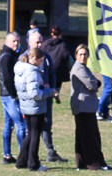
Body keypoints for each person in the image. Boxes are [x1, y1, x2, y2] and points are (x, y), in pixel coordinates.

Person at [69, 43, 111, 171]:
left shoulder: (83, 67)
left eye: (85, 54)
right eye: (80, 54)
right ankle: (93, 164)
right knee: (90, 137)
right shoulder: (79, 68)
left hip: (85, 107)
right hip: (83, 107)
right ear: (76, 55)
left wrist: (95, 82)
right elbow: (93, 84)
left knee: (83, 136)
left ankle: (81, 163)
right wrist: (96, 82)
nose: (83, 56)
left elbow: (93, 83)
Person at [27, 30, 66, 163]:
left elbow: (52, 74)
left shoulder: (46, 57)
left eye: (40, 42)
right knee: (31, 129)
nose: (39, 44)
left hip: (46, 98)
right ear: (29, 42)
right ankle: (29, 155)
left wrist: (52, 90)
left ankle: (51, 152)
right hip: (32, 100)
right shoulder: (24, 58)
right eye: (36, 42)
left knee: (47, 125)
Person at [13, 48, 55, 172]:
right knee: (35, 134)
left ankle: (21, 161)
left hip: (25, 105)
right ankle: (33, 163)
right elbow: (34, 93)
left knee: (30, 133)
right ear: (34, 59)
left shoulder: (21, 68)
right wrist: (49, 91)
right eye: (41, 61)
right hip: (35, 107)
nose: (41, 63)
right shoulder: (32, 72)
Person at [0, 32, 26, 165]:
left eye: (18, 41)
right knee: (21, 124)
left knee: (8, 125)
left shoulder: (10, 55)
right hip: (9, 96)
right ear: (7, 42)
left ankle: (7, 155)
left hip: (6, 95)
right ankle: (23, 155)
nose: (16, 43)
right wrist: (14, 94)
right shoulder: (7, 57)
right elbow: (7, 78)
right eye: (14, 41)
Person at [41, 26, 71, 101]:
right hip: (58, 71)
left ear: (52, 34)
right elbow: (66, 56)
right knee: (57, 83)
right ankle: (56, 93)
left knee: (48, 85)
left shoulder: (45, 43)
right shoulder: (63, 44)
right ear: (60, 34)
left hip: (47, 69)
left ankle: (50, 94)